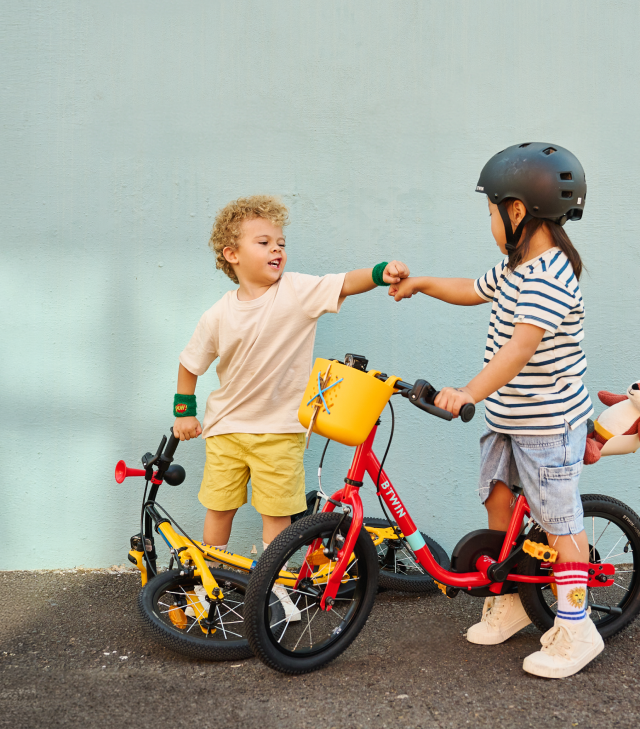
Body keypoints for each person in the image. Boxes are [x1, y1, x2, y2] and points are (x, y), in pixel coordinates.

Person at [389, 143, 600, 678]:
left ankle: (577, 627)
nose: (489, 223)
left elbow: (519, 349)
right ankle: (509, 602)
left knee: (559, 523)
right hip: (508, 420)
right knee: (499, 503)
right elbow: (471, 288)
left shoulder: (551, 276)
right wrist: (422, 284)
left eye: (490, 212)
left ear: (517, 211)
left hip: (548, 425)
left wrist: (469, 391)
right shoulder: (518, 266)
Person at [172, 194, 408, 619]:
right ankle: (209, 582)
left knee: (277, 514)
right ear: (232, 254)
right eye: (263, 242)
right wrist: (183, 411)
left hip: (281, 431)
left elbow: (343, 282)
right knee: (219, 507)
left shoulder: (296, 291)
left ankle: (276, 585)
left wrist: (380, 273)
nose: (277, 249)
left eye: (281, 242)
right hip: (226, 429)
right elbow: (190, 364)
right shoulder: (218, 314)